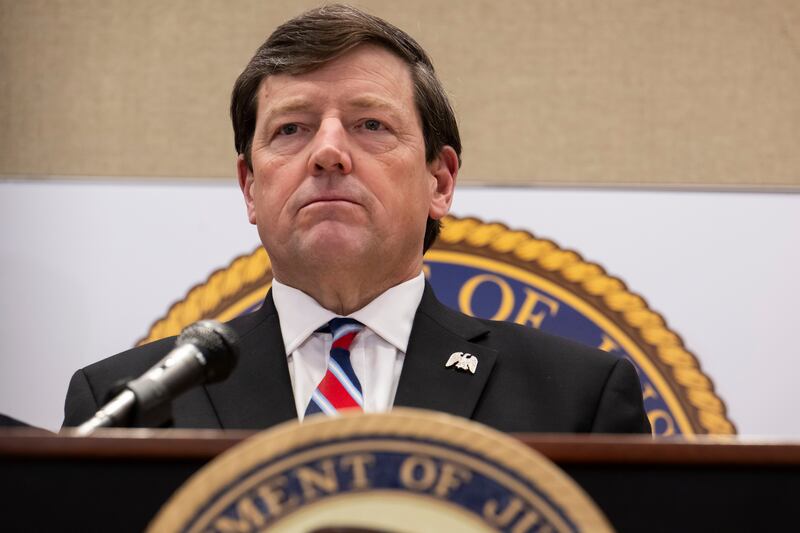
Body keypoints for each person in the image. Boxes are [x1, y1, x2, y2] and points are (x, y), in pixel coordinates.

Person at [63, 5, 651, 434]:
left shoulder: (578, 399)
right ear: (249, 187)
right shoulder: (124, 408)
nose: (328, 152)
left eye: (371, 125)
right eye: (291, 128)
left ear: (439, 181)